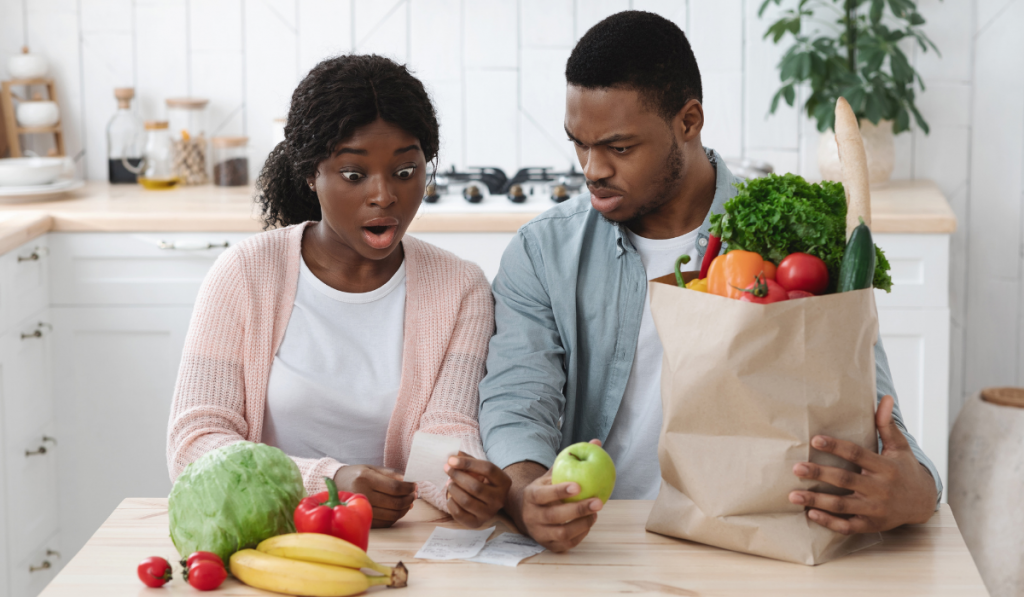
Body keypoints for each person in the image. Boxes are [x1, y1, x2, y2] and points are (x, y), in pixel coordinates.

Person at [478, 11, 942, 553]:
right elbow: (516, 400)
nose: (591, 169)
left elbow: (875, 409)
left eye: (619, 148)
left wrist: (919, 490)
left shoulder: (797, 244)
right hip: (605, 538)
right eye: (579, 143)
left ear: (689, 121)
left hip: (759, 538)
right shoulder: (542, 253)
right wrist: (527, 492)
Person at [167, 54, 510, 529]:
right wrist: (331, 481)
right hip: (269, 536)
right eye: (354, 175)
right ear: (312, 174)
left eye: (405, 171)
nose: (384, 195)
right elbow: (195, 443)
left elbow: (446, 430)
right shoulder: (244, 274)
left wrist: (462, 480)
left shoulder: (460, 288)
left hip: (401, 542)